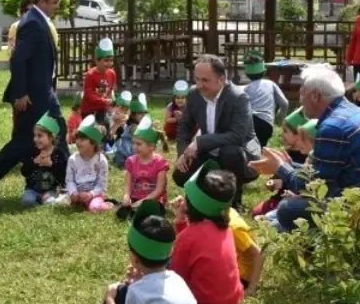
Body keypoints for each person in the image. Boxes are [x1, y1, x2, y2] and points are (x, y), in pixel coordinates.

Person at [58, 200, 202, 304]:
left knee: (119, 293)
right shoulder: (176, 278)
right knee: (129, 295)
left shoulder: (138, 292)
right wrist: (138, 279)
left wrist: (110, 299)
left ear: (133, 258)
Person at [254, 64, 360, 232]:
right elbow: (326, 171)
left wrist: (281, 168)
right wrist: (288, 165)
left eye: (302, 93)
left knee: (288, 208)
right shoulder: (350, 112)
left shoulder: (333, 127)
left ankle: (315, 246)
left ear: (315, 96)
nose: (300, 99)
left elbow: (313, 186)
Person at [0, 0, 66, 192]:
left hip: (44, 92)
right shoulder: (33, 22)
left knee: (57, 131)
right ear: (42, 1)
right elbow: (18, 59)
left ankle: (66, 180)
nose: (57, 6)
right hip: (33, 95)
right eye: (55, 2)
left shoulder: (38, 20)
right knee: (24, 141)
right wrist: (21, 93)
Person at [169, 168, 245, 304]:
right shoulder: (226, 229)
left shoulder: (188, 237)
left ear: (192, 204)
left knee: (157, 271)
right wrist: (181, 221)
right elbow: (197, 246)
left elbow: (176, 278)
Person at [173, 55, 261, 193]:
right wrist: (182, 154)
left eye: (205, 80)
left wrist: (199, 142)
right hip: (209, 150)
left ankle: (234, 201)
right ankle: (207, 196)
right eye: (196, 79)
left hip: (242, 153)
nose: (199, 85)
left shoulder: (239, 98)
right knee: (180, 176)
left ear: (220, 79)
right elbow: (184, 125)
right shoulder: (193, 94)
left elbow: (237, 136)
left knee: (230, 152)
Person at [117, 117, 170, 220]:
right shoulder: (131, 161)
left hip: (154, 199)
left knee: (150, 213)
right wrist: (126, 196)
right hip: (136, 197)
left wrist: (143, 201)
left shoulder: (160, 163)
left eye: (139, 144)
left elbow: (159, 190)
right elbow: (127, 185)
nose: (134, 147)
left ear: (151, 146)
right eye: (133, 143)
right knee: (122, 213)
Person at [64, 115, 111, 212]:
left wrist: (91, 194)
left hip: (94, 194)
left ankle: (108, 204)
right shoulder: (72, 159)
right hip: (77, 193)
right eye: (77, 139)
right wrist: (73, 192)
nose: (77, 142)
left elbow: (102, 184)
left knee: (94, 208)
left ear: (93, 143)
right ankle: (78, 202)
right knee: (61, 203)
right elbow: (69, 180)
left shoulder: (101, 160)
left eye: (82, 139)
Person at [21, 112, 67, 207]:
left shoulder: (58, 153)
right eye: (35, 135)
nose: (35, 139)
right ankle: (37, 198)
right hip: (32, 189)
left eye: (40, 136)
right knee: (27, 201)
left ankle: (46, 198)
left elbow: (64, 174)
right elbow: (24, 171)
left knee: (50, 202)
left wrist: (52, 165)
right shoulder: (33, 152)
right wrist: (34, 162)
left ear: (51, 137)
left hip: (51, 189)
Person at [242, 52, 288, 147]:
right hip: (266, 123)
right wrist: (279, 120)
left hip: (250, 122)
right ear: (265, 71)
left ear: (246, 74)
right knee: (261, 149)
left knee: (250, 149)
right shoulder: (270, 84)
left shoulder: (246, 88)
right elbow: (284, 103)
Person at [80, 39, 117, 118]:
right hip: (88, 110)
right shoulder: (90, 75)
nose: (109, 63)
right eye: (106, 61)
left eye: (111, 60)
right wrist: (105, 101)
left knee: (104, 127)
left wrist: (110, 104)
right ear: (97, 61)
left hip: (102, 109)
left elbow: (110, 91)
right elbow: (89, 94)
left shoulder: (112, 73)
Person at [112, 92, 149, 169]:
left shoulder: (137, 125)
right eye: (140, 114)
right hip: (126, 150)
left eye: (144, 114)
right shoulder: (134, 126)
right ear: (133, 115)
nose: (143, 116)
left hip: (127, 149)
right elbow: (137, 140)